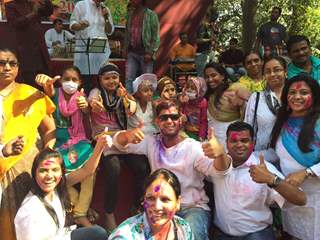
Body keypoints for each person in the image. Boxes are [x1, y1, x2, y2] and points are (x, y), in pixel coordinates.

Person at [112, 100, 225, 240]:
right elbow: (118, 143)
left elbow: (218, 171)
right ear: (157, 122)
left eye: (174, 117)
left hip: (192, 207)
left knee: (191, 235)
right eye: (164, 118)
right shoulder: (152, 142)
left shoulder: (193, 148)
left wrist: (220, 154)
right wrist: (127, 136)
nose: (169, 121)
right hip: (159, 205)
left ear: (181, 119)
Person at [202, 121, 306, 240]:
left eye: (244, 140)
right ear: (226, 143)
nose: (239, 145)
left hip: (257, 234)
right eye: (234, 141)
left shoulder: (264, 169)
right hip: (222, 234)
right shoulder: (217, 165)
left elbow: (301, 199)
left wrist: (271, 179)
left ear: (253, 143)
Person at [0, 48, 56, 240]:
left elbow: (50, 129)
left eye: (12, 63)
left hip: (28, 168)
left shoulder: (30, 93)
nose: (7, 67)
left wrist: (46, 155)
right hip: (2, 166)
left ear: (18, 67)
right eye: (1, 63)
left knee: (30, 221)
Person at [88, 63, 149, 232]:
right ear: (100, 80)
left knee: (142, 166)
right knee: (113, 169)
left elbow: (132, 109)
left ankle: (137, 205)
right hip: (103, 138)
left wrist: (126, 99)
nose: (111, 81)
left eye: (114, 77)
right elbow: (92, 101)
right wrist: (94, 104)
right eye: (107, 78)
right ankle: (109, 212)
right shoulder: (97, 93)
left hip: (122, 137)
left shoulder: (121, 93)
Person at [14, 135, 110, 240]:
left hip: (61, 236)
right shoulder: (29, 211)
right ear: (34, 173)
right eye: (43, 170)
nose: (49, 176)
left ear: (61, 173)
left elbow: (87, 170)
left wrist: (100, 145)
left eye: (54, 170)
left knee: (98, 233)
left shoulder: (57, 186)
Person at [35, 67, 96, 227]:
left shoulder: (81, 98)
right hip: (58, 143)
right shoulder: (54, 94)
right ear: (60, 81)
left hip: (78, 142)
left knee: (91, 167)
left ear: (80, 82)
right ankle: (79, 209)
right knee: (59, 173)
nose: (70, 83)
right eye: (66, 79)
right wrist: (46, 85)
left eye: (74, 80)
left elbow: (88, 123)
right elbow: (48, 91)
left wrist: (85, 109)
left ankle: (80, 211)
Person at [270, 74, 320, 240]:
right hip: (291, 196)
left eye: (304, 93)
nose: (297, 97)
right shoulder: (283, 120)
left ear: (314, 96)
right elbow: (276, 153)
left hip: (317, 198)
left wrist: (306, 173)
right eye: (292, 92)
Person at [108, 168, 194, 239]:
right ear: (143, 200)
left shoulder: (183, 228)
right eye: (150, 198)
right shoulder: (125, 236)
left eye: (165, 199)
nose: (157, 207)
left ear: (178, 203)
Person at [244, 56, 287, 162]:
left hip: (292, 158)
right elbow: (248, 128)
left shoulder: (295, 98)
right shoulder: (256, 98)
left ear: (285, 72)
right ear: (264, 75)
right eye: (268, 71)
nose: (272, 74)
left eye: (277, 70)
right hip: (263, 157)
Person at [5, 0, 53, 87]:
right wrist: (33, 13)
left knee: (44, 79)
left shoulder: (33, 3)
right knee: (29, 80)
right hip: (25, 49)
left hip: (40, 48)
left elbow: (48, 12)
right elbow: (15, 23)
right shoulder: (10, 5)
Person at [70, 0, 114, 94]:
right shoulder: (81, 5)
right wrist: (80, 26)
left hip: (100, 51)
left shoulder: (105, 9)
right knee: (84, 81)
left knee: (101, 80)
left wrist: (106, 17)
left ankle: (99, 104)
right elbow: (72, 24)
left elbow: (109, 31)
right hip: (84, 51)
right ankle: (83, 105)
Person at [204, 62, 248, 149]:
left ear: (223, 76)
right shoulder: (207, 95)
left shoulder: (235, 90)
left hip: (233, 143)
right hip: (212, 143)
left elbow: (248, 113)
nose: (210, 79)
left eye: (213, 75)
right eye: (207, 77)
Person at [124, 0, 160, 93]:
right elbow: (128, 33)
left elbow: (155, 36)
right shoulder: (130, 14)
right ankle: (129, 101)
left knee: (146, 80)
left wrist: (150, 52)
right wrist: (125, 49)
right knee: (129, 78)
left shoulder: (151, 15)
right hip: (132, 52)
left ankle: (146, 102)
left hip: (145, 53)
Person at [180, 76, 208, 141]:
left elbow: (203, 121)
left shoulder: (203, 102)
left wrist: (202, 136)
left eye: (193, 88)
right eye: (187, 87)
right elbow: (182, 115)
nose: (189, 90)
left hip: (198, 134)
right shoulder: (185, 100)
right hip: (186, 132)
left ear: (200, 90)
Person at [195, 12, 217, 77]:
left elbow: (213, 40)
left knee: (209, 74)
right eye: (211, 19)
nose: (211, 22)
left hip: (209, 53)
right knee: (201, 75)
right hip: (202, 54)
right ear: (206, 18)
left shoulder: (209, 28)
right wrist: (209, 39)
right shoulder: (202, 26)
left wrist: (213, 29)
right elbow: (198, 40)